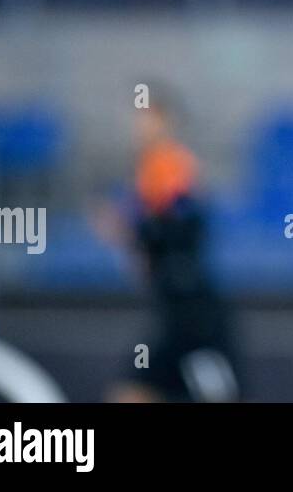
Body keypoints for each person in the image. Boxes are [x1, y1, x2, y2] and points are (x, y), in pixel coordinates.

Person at [95, 95, 240, 402]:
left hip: (190, 312)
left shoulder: (169, 164)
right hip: (174, 308)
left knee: (134, 393)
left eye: (147, 117)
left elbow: (180, 224)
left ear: (166, 121)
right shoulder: (149, 170)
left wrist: (129, 228)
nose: (138, 125)